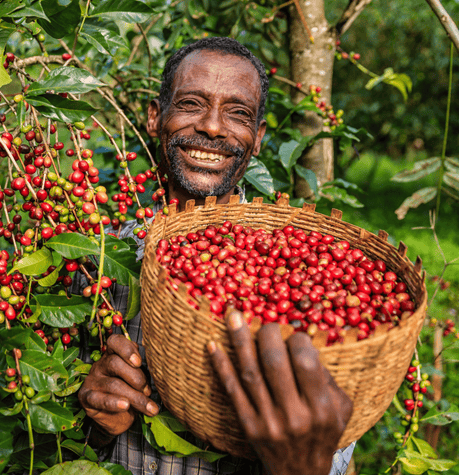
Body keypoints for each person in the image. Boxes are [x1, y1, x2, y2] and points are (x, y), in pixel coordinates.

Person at [78, 37, 355, 475]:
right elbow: (63, 437)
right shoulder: (98, 264)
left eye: (238, 113)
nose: (211, 127)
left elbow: (335, 456)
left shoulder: (299, 276)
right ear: (155, 117)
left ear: (258, 138)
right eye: (191, 103)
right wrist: (95, 422)